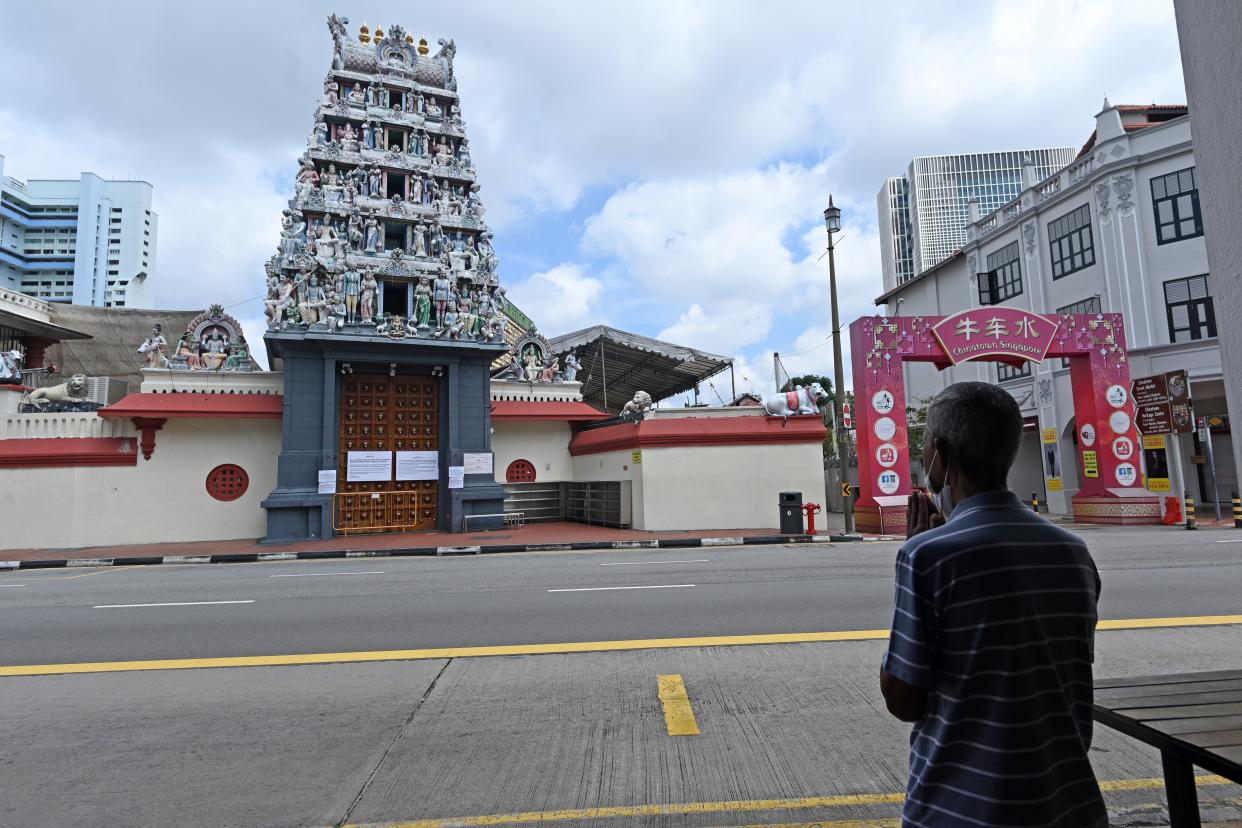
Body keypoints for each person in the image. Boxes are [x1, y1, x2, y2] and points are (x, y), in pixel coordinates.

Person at [880, 381, 1106, 827]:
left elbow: (904, 699)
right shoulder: (1073, 551)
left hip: (964, 808)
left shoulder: (928, 556)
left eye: (924, 450)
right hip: (1067, 804)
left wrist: (916, 554)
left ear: (940, 457)